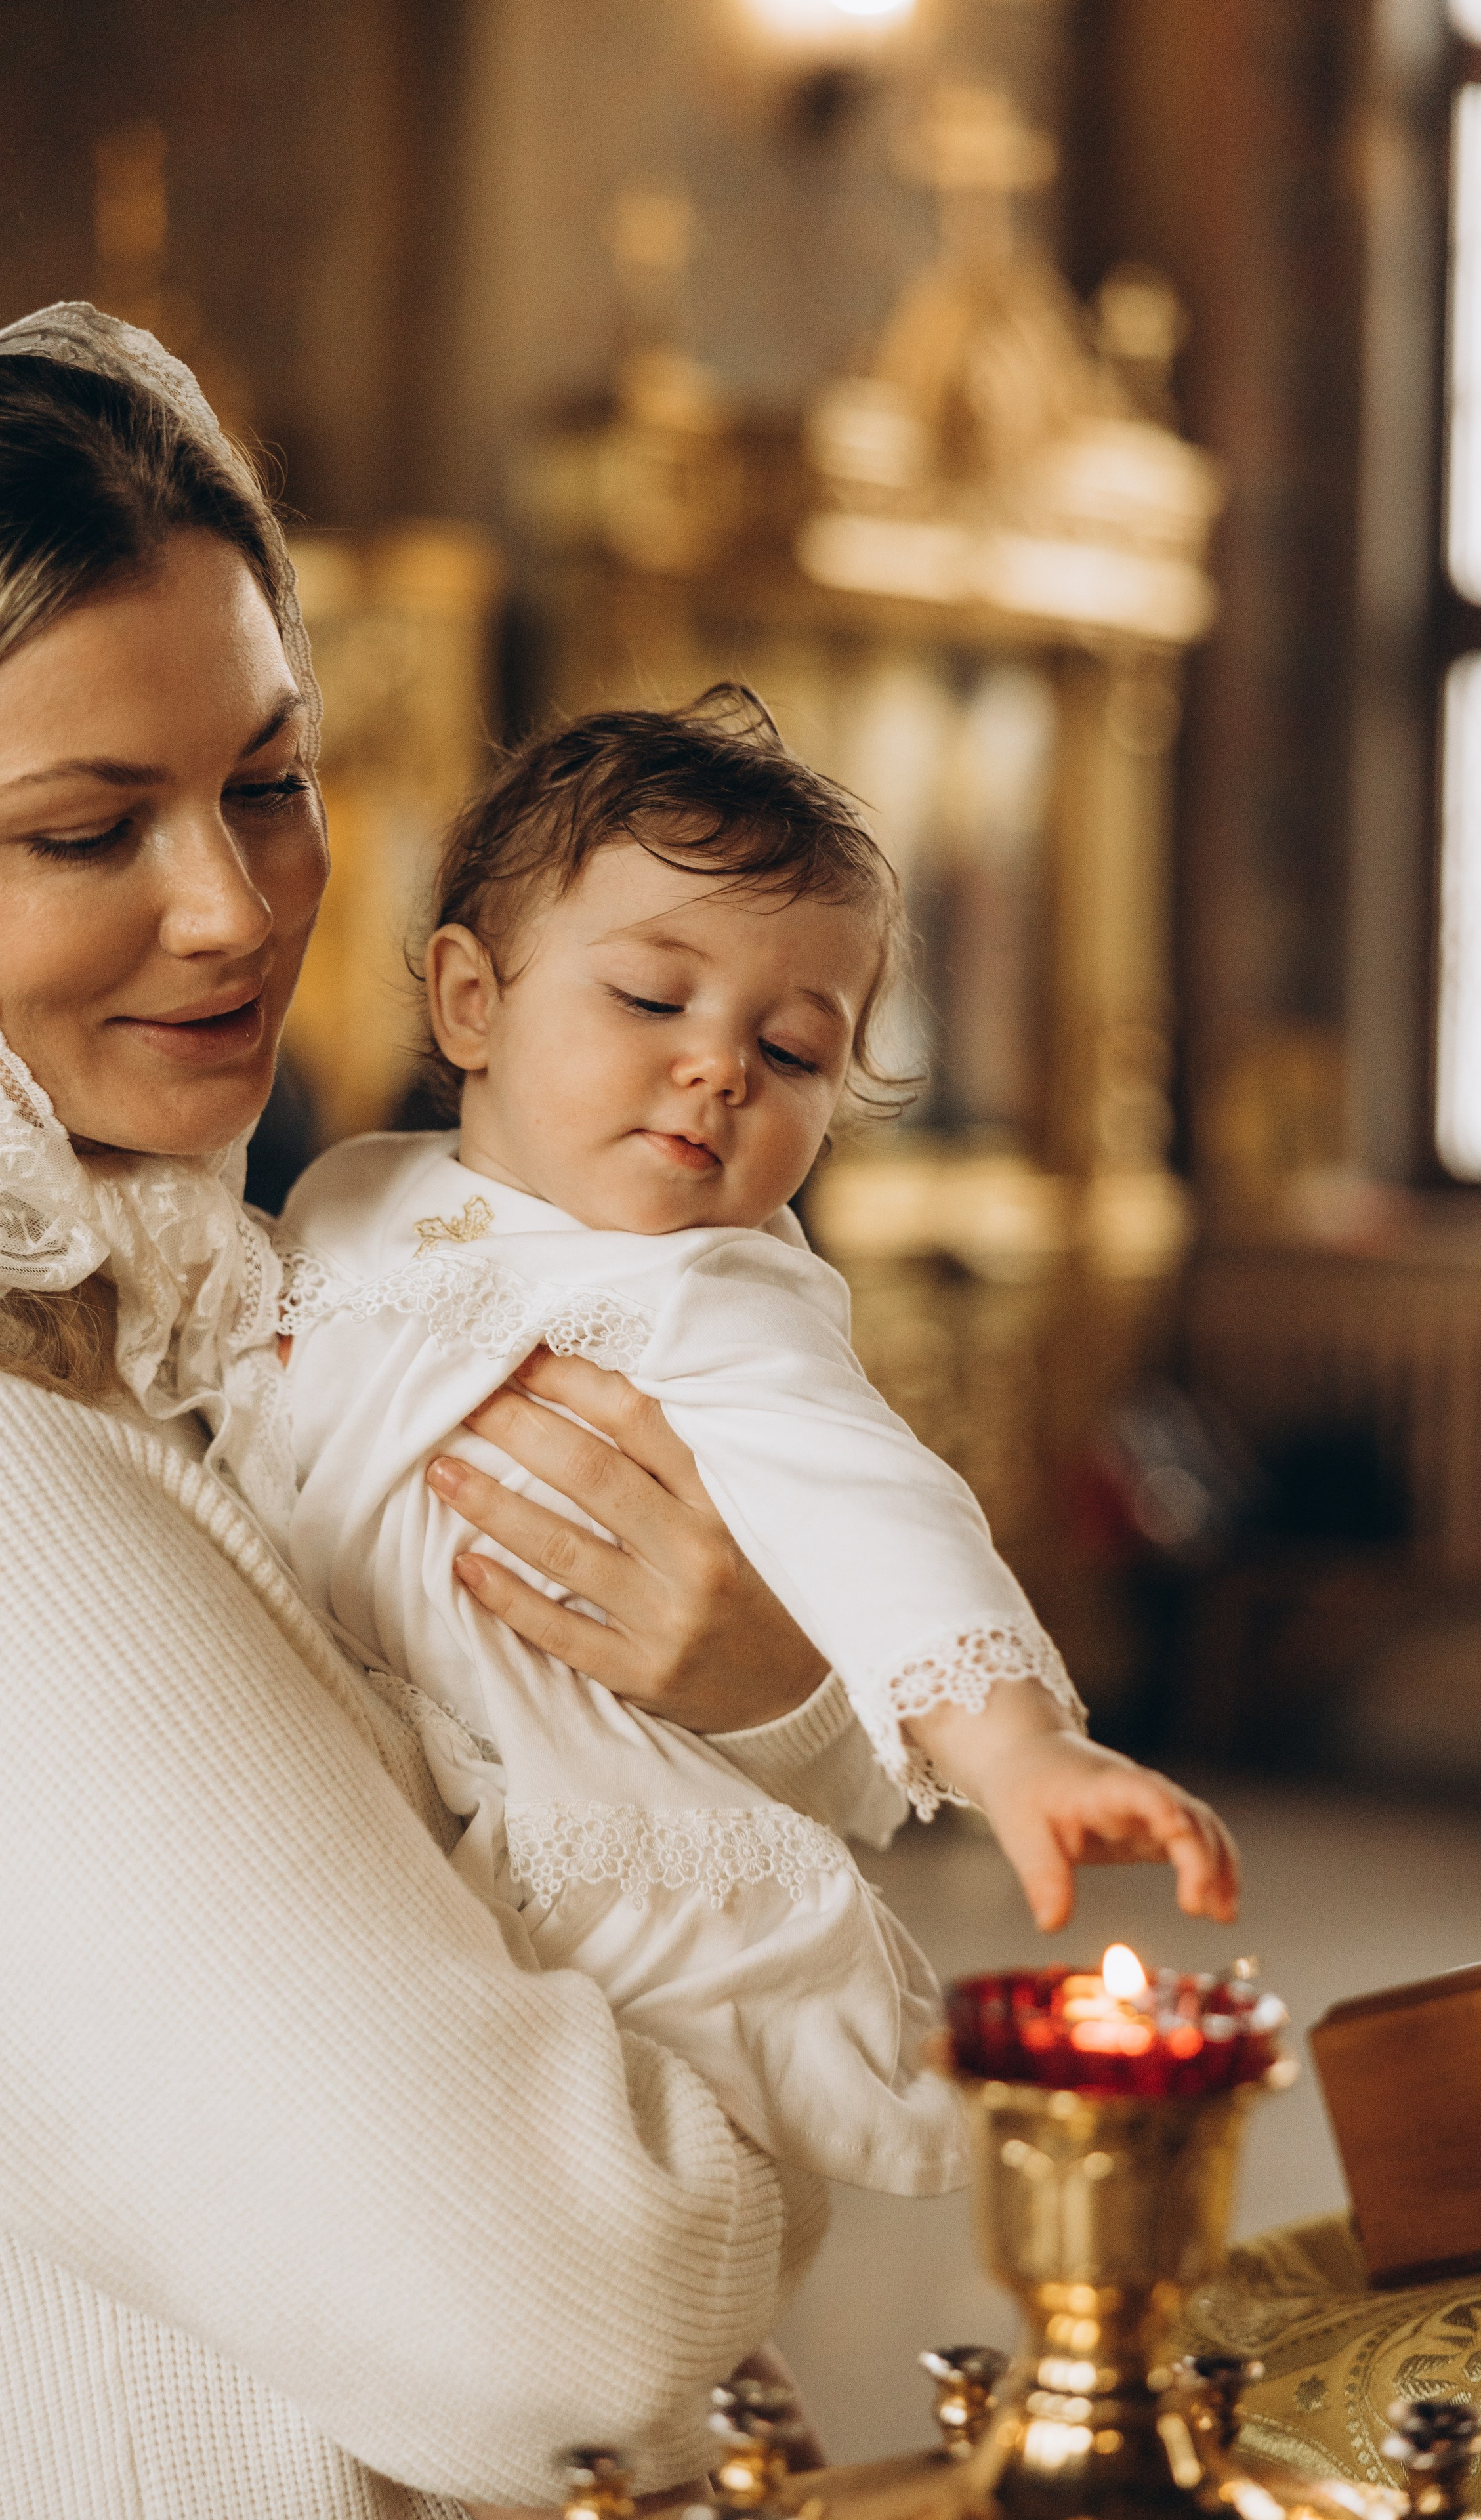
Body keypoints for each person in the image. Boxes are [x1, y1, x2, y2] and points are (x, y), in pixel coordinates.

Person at [0, 306, 862, 2519]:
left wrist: (762, 1691)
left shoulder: (183, 1323)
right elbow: (576, 2327)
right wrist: (772, 1998)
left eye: (269, 785)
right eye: (89, 828)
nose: (235, 911)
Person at [274, 692, 1240, 2197]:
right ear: (473, 1003)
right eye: (652, 1003)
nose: (720, 1067)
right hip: (342, 1750)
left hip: (564, 1768)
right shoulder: (342, 1194)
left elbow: (880, 1520)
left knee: (689, 2030)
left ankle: (957, 2133)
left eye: (791, 1052)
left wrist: (1018, 1750)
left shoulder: (720, 1294)